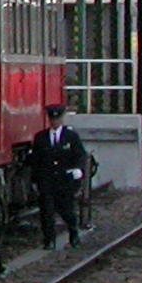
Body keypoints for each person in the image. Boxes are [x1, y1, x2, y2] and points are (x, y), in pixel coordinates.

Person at [27, 104, 87, 250]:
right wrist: (35, 179)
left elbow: (80, 155)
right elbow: (36, 160)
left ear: (62, 119)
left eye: (57, 119)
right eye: (52, 119)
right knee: (47, 211)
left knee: (67, 210)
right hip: (47, 179)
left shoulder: (71, 136)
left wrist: (78, 169)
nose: (54, 122)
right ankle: (49, 240)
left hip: (64, 179)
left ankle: (73, 233)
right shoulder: (41, 138)